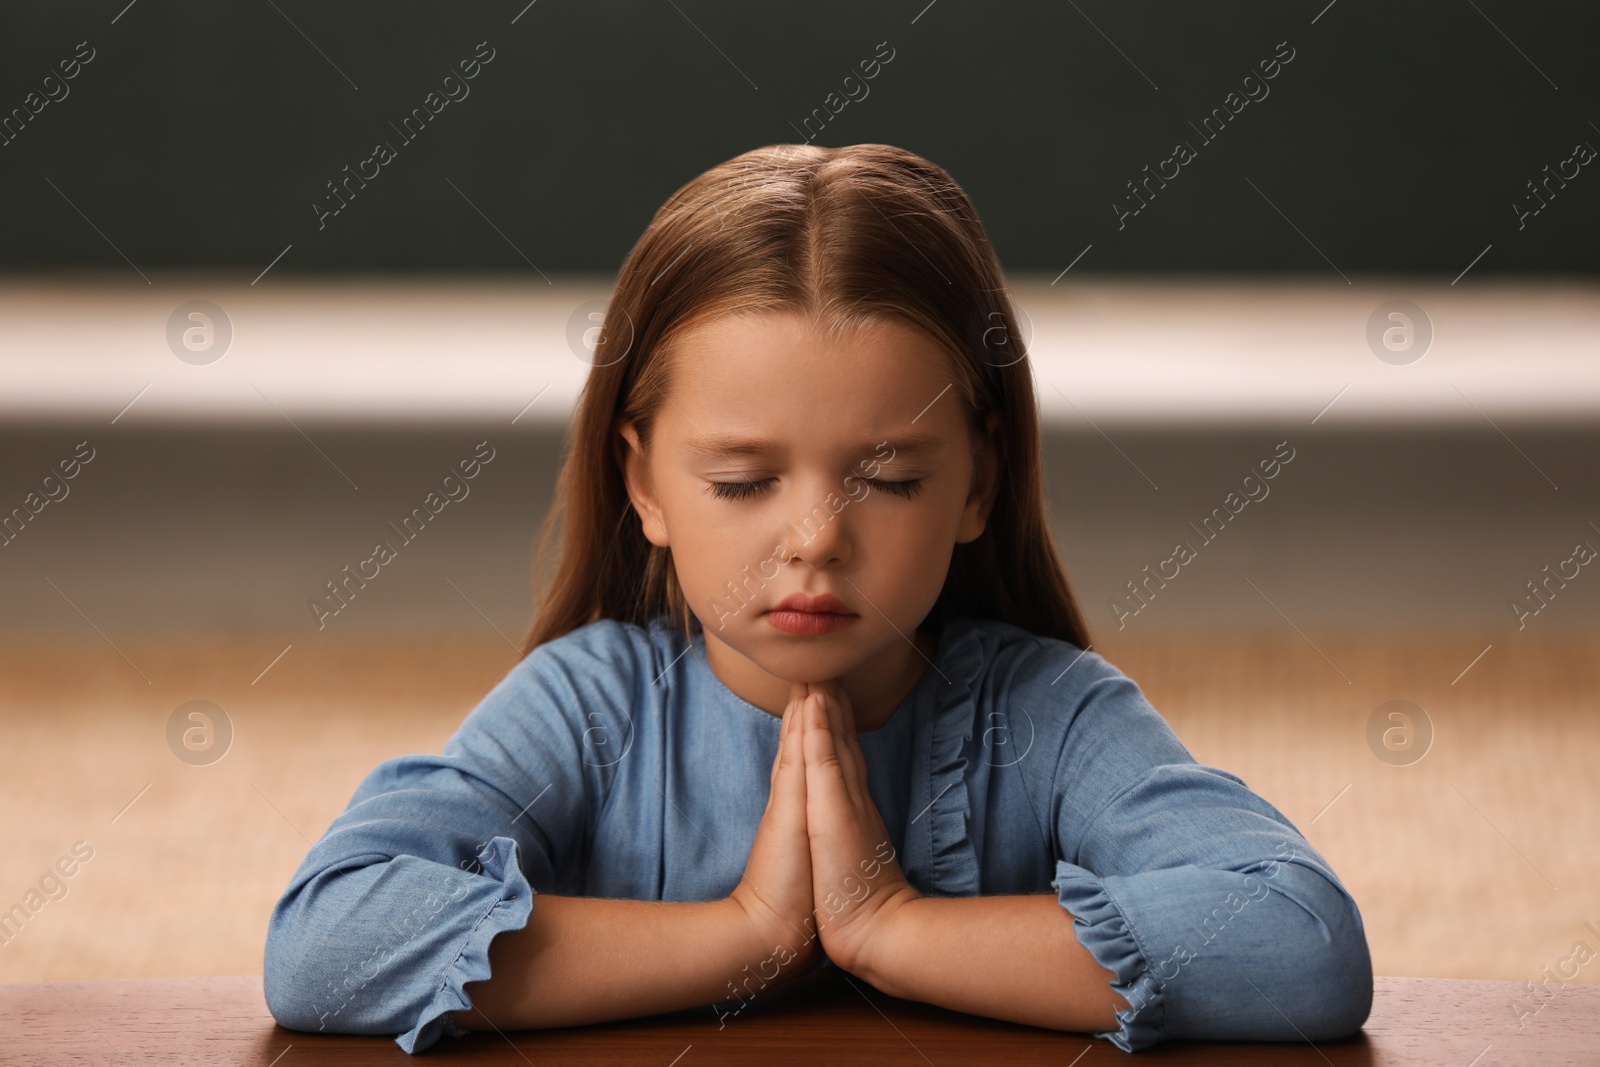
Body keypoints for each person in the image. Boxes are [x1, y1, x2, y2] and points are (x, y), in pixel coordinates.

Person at [263, 142, 1374, 1054]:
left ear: (978, 482)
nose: (812, 542)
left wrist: (889, 926)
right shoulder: (589, 706)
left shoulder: (1049, 713)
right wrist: (745, 934)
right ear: (643, 482)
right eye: (742, 481)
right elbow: (321, 945)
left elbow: (1303, 945)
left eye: (888, 480)